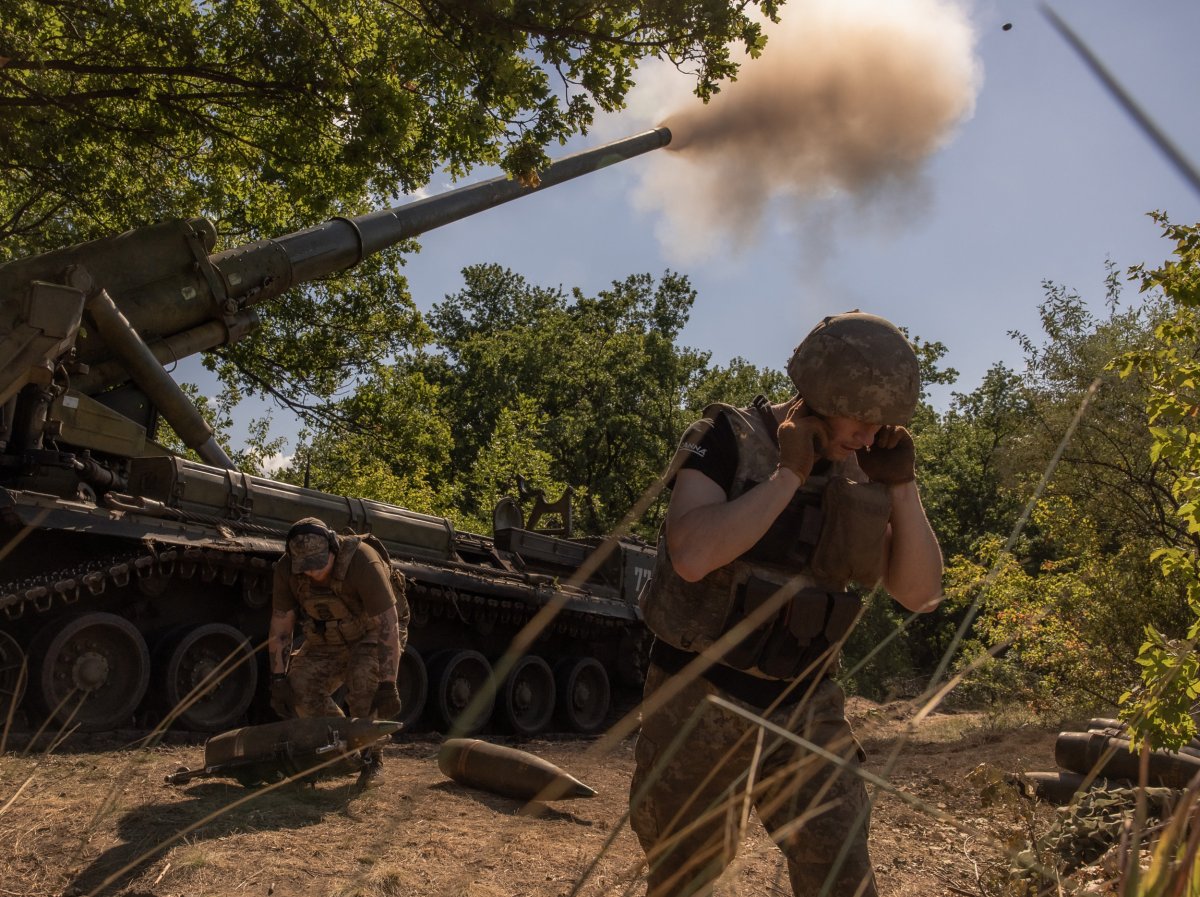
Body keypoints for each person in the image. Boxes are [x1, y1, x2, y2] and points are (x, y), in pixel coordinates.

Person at [630, 312, 944, 897]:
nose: (873, 435)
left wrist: (902, 486)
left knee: (841, 869)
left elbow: (921, 594)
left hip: (804, 708)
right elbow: (693, 555)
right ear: (823, 391)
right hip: (701, 699)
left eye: (885, 424)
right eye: (864, 416)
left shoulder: (866, 470)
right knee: (686, 877)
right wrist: (787, 476)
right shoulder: (725, 438)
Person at [268, 516, 410, 787]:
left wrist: (389, 684)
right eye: (305, 568)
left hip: (371, 632)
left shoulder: (362, 561)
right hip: (328, 637)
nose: (313, 573)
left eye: (319, 564)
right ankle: (341, 749)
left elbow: (388, 625)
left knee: (364, 683)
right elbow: (281, 627)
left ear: (333, 547)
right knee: (298, 687)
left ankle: (372, 759)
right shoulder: (286, 570)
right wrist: (277, 679)